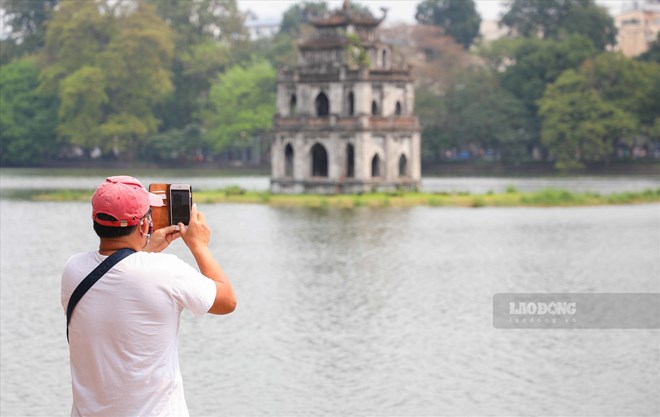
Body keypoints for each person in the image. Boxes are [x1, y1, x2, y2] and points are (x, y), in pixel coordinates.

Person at [61, 176, 236, 417]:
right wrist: (199, 245)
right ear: (144, 225)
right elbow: (227, 301)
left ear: (95, 220)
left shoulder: (73, 269)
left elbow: (120, 280)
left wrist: (144, 252)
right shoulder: (166, 271)